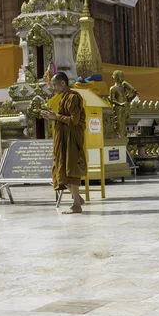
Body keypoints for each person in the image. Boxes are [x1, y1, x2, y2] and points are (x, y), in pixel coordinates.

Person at [41, 72, 87, 214]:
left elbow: (74, 120)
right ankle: (77, 198)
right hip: (64, 139)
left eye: (55, 84)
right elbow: (63, 118)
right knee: (59, 169)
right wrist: (52, 117)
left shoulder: (73, 97)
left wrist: (56, 116)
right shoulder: (63, 98)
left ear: (63, 83)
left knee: (71, 169)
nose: (53, 87)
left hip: (72, 139)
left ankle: (76, 205)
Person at [109, 70, 138, 138]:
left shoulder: (123, 88)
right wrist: (120, 103)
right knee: (118, 124)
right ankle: (119, 138)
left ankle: (122, 139)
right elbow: (112, 100)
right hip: (117, 109)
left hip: (124, 108)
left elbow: (128, 99)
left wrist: (134, 94)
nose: (122, 78)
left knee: (123, 125)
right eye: (121, 76)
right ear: (116, 77)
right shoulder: (113, 88)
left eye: (123, 76)